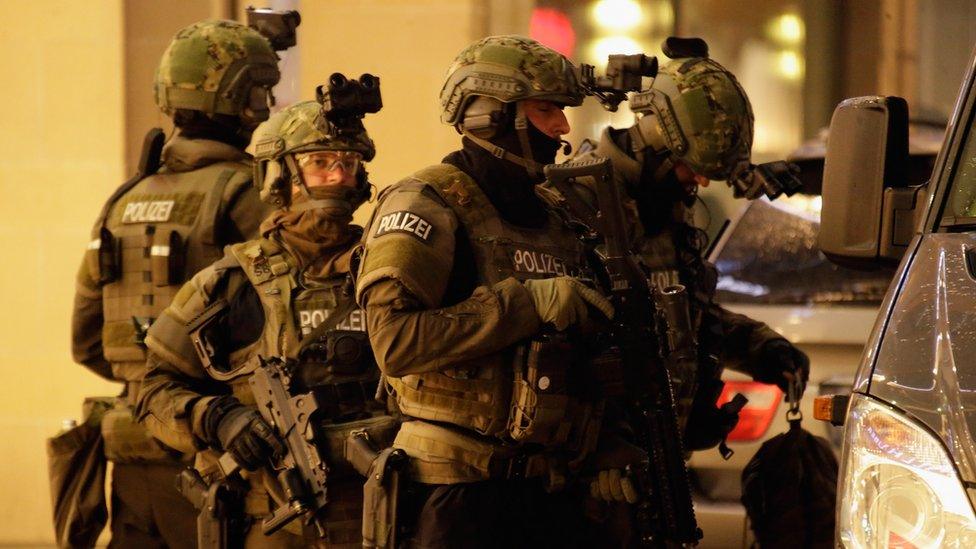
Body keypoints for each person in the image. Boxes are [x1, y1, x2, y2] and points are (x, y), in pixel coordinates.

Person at [355, 35, 617, 548]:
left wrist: (610, 442)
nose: (563, 127)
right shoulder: (426, 202)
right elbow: (394, 343)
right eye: (546, 110)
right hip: (456, 493)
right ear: (491, 116)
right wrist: (528, 303)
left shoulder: (559, 212)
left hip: (549, 490)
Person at [135, 97, 396, 548]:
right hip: (275, 520)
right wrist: (217, 418)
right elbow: (152, 389)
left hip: (383, 516)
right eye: (320, 162)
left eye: (348, 163)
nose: (337, 176)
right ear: (279, 175)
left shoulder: (390, 270)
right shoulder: (229, 283)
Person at [70, 19, 282, 547]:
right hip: (214, 454)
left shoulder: (124, 199)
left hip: (132, 453)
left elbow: (86, 341)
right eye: (261, 89)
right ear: (243, 99)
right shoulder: (244, 193)